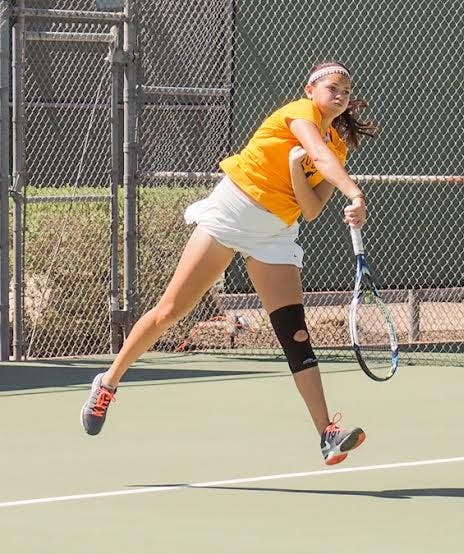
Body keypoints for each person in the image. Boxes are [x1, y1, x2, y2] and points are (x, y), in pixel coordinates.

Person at [80, 61, 379, 465]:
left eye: (346, 89)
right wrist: (355, 193)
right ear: (310, 90)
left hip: (274, 232)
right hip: (232, 212)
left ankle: (327, 432)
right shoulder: (299, 114)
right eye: (332, 87)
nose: (340, 94)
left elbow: (309, 210)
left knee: (295, 333)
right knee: (171, 311)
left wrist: (294, 171)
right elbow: (321, 159)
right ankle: (107, 384)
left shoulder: (337, 146)